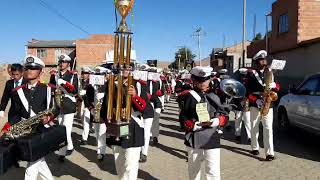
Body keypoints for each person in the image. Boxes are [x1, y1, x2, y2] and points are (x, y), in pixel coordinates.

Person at [1, 55, 59, 180]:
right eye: (26, 68)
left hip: (41, 130)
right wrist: (8, 126)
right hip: (26, 131)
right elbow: (16, 113)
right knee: (38, 161)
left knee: (32, 165)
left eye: (33, 68)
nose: (29, 71)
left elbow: (57, 108)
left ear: (41, 71)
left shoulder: (49, 89)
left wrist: (49, 117)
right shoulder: (18, 91)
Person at [182, 66, 228, 180]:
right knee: (194, 170)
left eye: (205, 80)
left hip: (212, 135)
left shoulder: (217, 94)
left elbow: (224, 114)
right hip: (194, 136)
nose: (202, 83)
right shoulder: (188, 95)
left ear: (209, 79)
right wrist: (190, 124)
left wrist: (217, 120)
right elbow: (183, 115)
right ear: (193, 80)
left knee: (213, 171)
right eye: (199, 80)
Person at [100, 68, 146, 180]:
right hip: (116, 127)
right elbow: (105, 105)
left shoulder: (137, 84)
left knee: (130, 164)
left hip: (132, 127)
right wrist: (107, 123)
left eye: (128, 66)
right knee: (119, 163)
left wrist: (135, 96)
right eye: (123, 66)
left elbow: (146, 108)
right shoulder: (111, 83)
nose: (125, 69)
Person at [246, 50, 280, 161]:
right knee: (254, 126)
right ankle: (255, 147)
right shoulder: (251, 74)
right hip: (255, 103)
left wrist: (275, 86)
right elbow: (247, 91)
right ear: (256, 61)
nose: (264, 61)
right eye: (261, 59)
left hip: (267, 103)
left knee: (268, 128)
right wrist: (255, 100)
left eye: (265, 59)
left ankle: (270, 153)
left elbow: (276, 87)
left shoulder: (269, 72)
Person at [49, 53, 79, 162]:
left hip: (68, 104)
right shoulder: (55, 75)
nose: (61, 64)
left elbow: (75, 91)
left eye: (64, 62)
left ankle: (63, 151)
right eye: (60, 62)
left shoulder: (72, 75)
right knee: (61, 128)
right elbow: (51, 87)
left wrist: (64, 83)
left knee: (66, 129)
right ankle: (68, 147)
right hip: (58, 104)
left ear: (68, 64)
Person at [79, 66, 93, 145]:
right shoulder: (81, 82)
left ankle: (84, 138)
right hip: (81, 103)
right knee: (82, 118)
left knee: (86, 121)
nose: (84, 75)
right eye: (83, 73)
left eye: (86, 73)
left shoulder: (90, 83)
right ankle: (87, 131)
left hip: (87, 104)